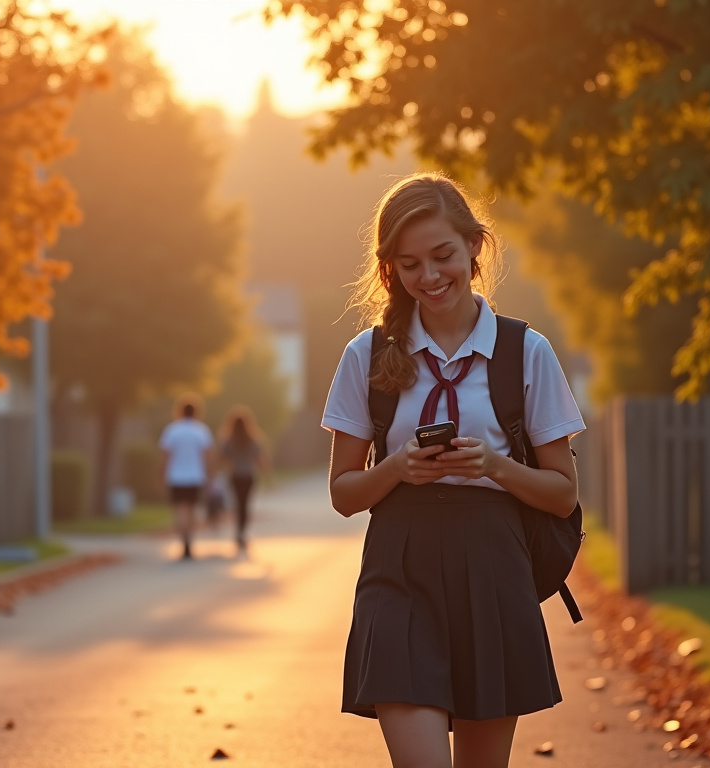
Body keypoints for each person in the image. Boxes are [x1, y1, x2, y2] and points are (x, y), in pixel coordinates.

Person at [320, 172, 585, 768]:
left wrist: (493, 465)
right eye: (409, 264)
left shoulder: (527, 352)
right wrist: (398, 469)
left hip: (491, 568)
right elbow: (343, 493)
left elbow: (562, 495)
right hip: (399, 568)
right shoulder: (365, 354)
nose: (430, 276)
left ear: (474, 245)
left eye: (443, 255)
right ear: (391, 270)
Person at [158, 394, 214, 560]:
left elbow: (165, 457)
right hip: (195, 477)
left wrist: (160, 476)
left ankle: (184, 541)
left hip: (176, 477)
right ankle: (189, 542)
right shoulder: (201, 431)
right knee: (191, 510)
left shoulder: (172, 431)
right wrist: (210, 476)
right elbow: (208, 456)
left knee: (180, 510)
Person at [217, 405, 269, 555]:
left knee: (237, 504)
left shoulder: (229, 440)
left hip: (234, 476)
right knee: (245, 505)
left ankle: (238, 531)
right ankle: (242, 532)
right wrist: (267, 475)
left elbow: (222, 457)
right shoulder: (253, 439)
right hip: (248, 476)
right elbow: (260, 459)